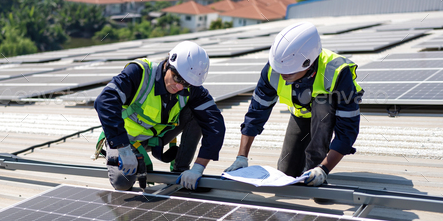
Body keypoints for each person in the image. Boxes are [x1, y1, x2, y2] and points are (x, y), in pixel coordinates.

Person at [225, 22, 363, 186]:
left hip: (327, 114)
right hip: (301, 114)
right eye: (281, 69)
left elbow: (347, 129)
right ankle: (306, 171)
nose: (283, 75)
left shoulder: (337, 71)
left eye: (290, 71)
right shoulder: (274, 70)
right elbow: (256, 114)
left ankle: (316, 168)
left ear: (309, 63)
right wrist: (242, 157)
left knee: (322, 102)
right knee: (287, 172)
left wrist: (323, 169)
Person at [95, 41, 225, 191]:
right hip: (125, 138)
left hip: (155, 139)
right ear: (167, 63)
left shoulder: (190, 88)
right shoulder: (139, 73)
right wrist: (123, 147)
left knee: (199, 115)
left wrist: (198, 168)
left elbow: (215, 124)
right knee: (122, 182)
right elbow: (104, 101)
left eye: (186, 84)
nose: (179, 87)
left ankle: (181, 171)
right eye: (177, 78)